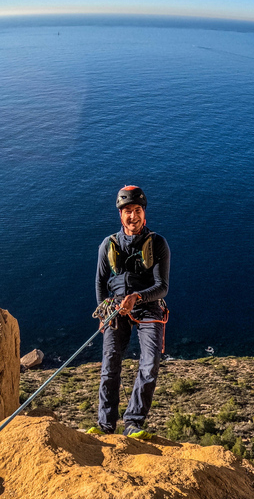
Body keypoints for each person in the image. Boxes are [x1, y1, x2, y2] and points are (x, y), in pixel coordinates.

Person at [88, 185, 170, 439]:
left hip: (148, 307)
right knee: (110, 365)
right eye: (127, 212)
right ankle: (106, 425)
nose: (132, 216)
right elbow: (101, 282)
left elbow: (162, 287)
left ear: (144, 214)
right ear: (120, 215)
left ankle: (133, 422)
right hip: (116, 308)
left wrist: (138, 297)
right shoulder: (108, 245)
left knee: (150, 363)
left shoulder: (157, 243)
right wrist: (104, 312)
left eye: (137, 211)